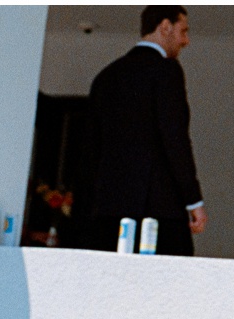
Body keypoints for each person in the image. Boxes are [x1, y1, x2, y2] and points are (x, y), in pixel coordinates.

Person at [85, 6, 207, 256]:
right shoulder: (166, 70)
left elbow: (90, 149)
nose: (186, 41)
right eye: (183, 31)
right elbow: (175, 139)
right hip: (158, 211)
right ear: (165, 26)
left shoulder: (105, 77)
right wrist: (193, 201)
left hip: (108, 213)